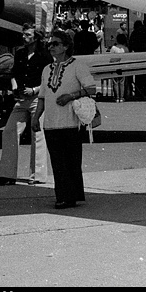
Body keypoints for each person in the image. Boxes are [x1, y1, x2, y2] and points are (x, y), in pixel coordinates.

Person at [32, 29, 96, 209]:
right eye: (49, 44)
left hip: (70, 122)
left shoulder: (78, 66)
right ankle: (64, 196)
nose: (51, 47)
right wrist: (36, 117)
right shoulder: (47, 69)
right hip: (51, 123)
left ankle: (70, 197)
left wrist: (71, 96)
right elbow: (43, 97)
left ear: (66, 46)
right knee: (58, 162)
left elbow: (91, 89)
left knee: (71, 161)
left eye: (55, 44)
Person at [0, 26, 51, 185]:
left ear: (36, 38)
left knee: (37, 136)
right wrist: (14, 87)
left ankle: (38, 176)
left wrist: (34, 90)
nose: (24, 37)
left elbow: (48, 80)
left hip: (37, 99)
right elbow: (14, 74)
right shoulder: (20, 53)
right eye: (24, 34)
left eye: (27, 35)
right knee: (9, 131)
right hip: (20, 99)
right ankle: (7, 175)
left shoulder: (44, 56)